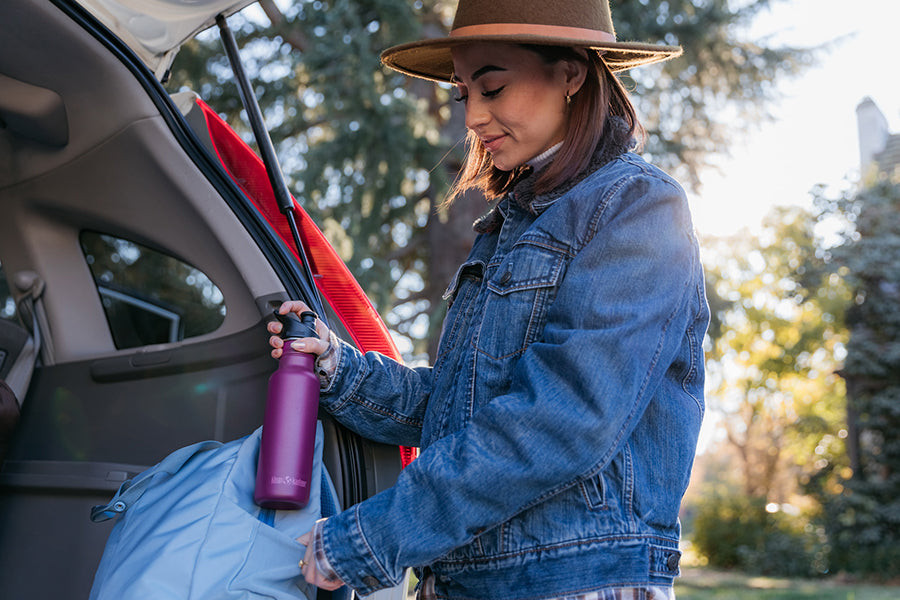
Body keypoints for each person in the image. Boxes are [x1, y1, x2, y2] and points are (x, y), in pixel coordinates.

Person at [268, 0, 709, 598]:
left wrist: (372, 537)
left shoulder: (638, 206)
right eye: (462, 94)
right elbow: (461, 404)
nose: (473, 116)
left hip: (569, 582)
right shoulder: (510, 225)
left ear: (572, 73)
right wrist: (337, 367)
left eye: (493, 87)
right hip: (465, 581)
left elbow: (566, 417)